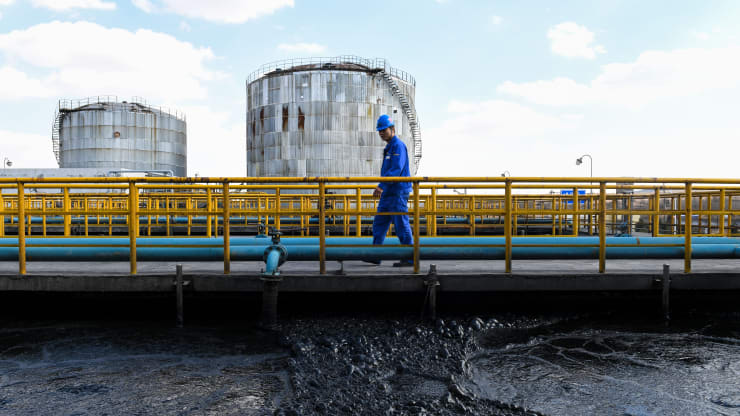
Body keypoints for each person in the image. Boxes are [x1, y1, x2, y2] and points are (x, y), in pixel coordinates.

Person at [365, 114, 413, 267]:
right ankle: (376, 255)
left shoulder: (398, 146)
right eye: (379, 131)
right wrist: (383, 186)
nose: (381, 133)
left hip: (397, 192)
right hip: (388, 193)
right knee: (379, 223)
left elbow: (396, 170)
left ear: (392, 129)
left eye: (383, 130)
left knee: (401, 225)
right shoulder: (389, 147)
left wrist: (381, 186)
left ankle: (410, 258)